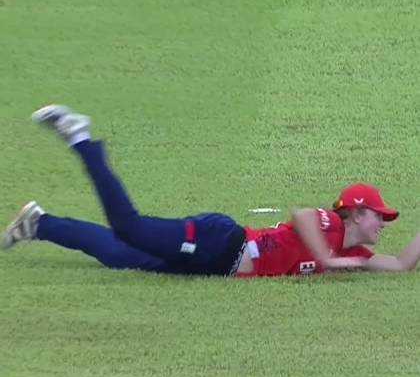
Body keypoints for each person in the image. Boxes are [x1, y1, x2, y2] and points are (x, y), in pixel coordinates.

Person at [1, 105, 419, 276]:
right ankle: (83, 141)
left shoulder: (356, 254)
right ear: (354, 212)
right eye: (378, 214)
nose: (383, 221)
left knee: (116, 254)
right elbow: (301, 214)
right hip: (222, 242)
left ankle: (38, 223)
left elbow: (400, 264)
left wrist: (346, 260)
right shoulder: (329, 225)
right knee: (129, 228)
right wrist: (328, 256)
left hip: (214, 264)